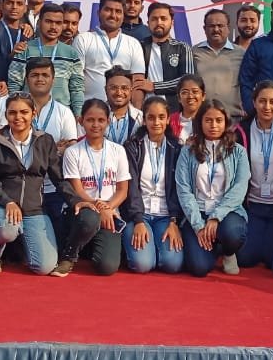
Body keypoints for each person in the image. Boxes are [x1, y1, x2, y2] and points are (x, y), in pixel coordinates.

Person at [0, 95, 70, 275]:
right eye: (12, 112)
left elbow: (59, 179)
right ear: (6, 115)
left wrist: (78, 202)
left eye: (24, 112)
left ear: (33, 114)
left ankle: (20, 245)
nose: (18, 117)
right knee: (8, 229)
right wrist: (8, 202)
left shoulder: (45, 140)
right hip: (0, 206)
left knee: (44, 267)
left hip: (33, 209)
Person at [55, 99, 132, 276]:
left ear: (108, 121)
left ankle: (87, 246)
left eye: (101, 120)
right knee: (90, 219)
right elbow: (77, 190)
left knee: (107, 267)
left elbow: (122, 190)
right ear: (81, 121)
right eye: (90, 120)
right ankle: (69, 256)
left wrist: (108, 208)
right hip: (83, 211)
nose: (95, 125)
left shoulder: (118, 151)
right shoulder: (73, 152)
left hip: (110, 213)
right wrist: (99, 208)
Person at [175, 100, 250, 277]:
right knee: (199, 268)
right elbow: (184, 190)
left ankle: (228, 252)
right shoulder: (188, 151)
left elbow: (239, 188)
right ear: (200, 122)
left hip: (227, 212)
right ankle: (213, 245)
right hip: (198, 212)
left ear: (226, 122)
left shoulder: (238, 151)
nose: (213, 125)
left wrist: (216, 217)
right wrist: (198, 225)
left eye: (218, 120)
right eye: (208, 120)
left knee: (233, 234)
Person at [237, 80, 273, 269]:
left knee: (272, 259)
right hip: (253, 205)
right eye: (262, 101)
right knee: (245, 258)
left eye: (272, 102)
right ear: (254, 102)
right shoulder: (241, 130)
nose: (267, 107)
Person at [122, 97, 185, 274]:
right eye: (151, 117)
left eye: (161, 117)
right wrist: (138, 220)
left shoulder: (176, 148)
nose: (156, 122)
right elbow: (131, 186)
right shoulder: (133, 147)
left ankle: (155, 250)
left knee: (173, 265)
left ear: (168, 119)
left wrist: (174, 221)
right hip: (140, 215)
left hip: (166, 216)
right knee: (142, 265)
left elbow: (179, 187)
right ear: (144, 120)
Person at [24, 57, 80, 238]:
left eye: (45, 75)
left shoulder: (64, 112)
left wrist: (32, 148)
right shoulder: (17, 109)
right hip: (22, 187)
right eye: (35, 75)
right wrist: (53, 149)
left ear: (53, 80)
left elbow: (70, 149)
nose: (40, 79)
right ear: (26, 79)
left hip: (53, 187)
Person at [8, 2, 85, 116]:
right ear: (39, 23)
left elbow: (77, 88)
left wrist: (78, 114)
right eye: (48, 22)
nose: (53, 27)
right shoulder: (25, 50)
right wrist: (17, 111)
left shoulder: (71, 53)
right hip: (28, 115)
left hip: (61, 114)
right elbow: (14, 85)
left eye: (58, 23)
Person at [75, 0, 145, 102]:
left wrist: (136, 111)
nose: (113, 15)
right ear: (98, 12)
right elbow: (76, 80)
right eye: (108, 10)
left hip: (123, 110)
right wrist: (79, 110)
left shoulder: (133, 44)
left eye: (118, 11)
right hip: (90, 109)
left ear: (123, 15)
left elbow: (138, 84)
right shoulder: (83, 39)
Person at [137, 2, 195, 109]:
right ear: (148, 23)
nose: (159, 22)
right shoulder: (138, 47)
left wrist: (155, 86)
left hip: (175, 111)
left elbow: (188, 81)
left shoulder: (182, 48)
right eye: (154, 19)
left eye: (163, 18)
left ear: (172, 23)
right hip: (146, 111)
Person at [192, 9, 245, 119]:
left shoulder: (241, 53)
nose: (216, 29)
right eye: (211, 26)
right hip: (203, 118)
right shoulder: (193, 52)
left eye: (220, 26)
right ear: (204, 29)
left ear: (228, 28)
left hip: (233, 117)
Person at [104, 66, 144, 144]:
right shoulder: (95, 116)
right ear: (105, 90)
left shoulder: (141, 118)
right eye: (113, 88)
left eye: (124, 88)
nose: (119, 93)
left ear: (131, 90)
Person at [169, 74, 205, 143]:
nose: (190, 96)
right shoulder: (169, 122)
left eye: (195, 92)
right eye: (185, 92)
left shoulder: (209, 121)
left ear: (203, 96)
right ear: (179, 98)